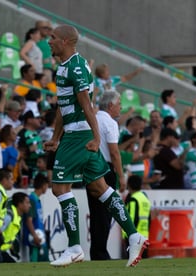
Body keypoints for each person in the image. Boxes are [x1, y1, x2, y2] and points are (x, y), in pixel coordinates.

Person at [44, 25, 148, 267]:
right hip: (73, 134)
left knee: (60, 189)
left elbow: (86, 103)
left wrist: (96, 136)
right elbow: (63, 108)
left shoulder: (77, 66)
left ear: (67, 41)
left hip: (78, 136)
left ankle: (74, 247)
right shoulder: (64, 66)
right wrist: (55, 136)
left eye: (53, 38)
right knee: (100, 188)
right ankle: (134, 235)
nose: (49, 42)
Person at [87, 90, 126, 260]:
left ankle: (97, 251)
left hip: (91, 169)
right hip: (106, 169)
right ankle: (100, 251)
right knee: (105, 214)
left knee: (96, 212)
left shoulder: (93, 119)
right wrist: (121, 175)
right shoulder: (110, 123)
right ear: (111, 105)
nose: (121, 108)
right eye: (119, 105)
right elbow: (114, 152)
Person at [23, 173, 49, 262]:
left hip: (41, 238)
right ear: (43, 185)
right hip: (36, 240)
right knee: (35, 265)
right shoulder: (32, 200)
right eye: (46, 185)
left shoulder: (37, 200)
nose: (47, 188)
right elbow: (29, 221)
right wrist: (35, 236)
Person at [123, 175, 151, 258]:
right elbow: (149, 218)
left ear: (129, 185)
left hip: (134, 236)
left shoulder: (133, 199)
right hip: (144, 234)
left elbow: (131, 218)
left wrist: (128, 234)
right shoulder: (145, 198)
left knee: (132, 260)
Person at [0, 192, 31, 263]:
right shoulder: (9, 215)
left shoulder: (17, 217)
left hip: (2, 250)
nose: (30, 205)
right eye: (27, 203)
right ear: (20, 204)